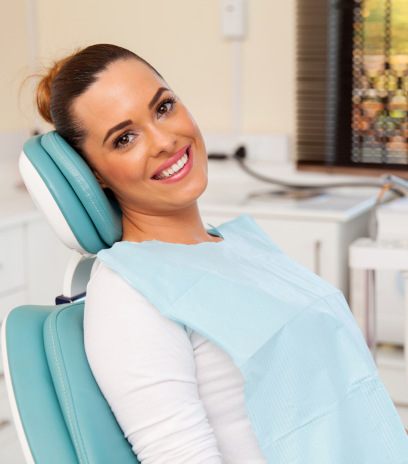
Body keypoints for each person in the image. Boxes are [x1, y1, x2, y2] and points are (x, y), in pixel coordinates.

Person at [35, 44, 408, 464]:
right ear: (96, 175)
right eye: (125, 138)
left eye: (163, 107)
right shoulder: (129, 293)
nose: (164, 140)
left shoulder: (240, 244)